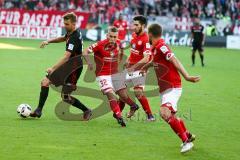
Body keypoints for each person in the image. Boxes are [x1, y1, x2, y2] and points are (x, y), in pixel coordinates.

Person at [140, 23, 200, 153]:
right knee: (171, 116)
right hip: (165, 88)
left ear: (150, 34)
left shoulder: (161, 46)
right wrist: (146, 67)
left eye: (147, 34)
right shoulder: (155, 48)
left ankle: (185, 142)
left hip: (172, 86)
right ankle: (187, 135)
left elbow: (174, 60)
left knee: (164, 112)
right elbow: (155, 61)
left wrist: (187, 76)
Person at [30, 12, 92, 120]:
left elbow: (66, 56)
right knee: (45, 82)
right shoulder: (71, 33)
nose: (65, 26)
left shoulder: (75, 37)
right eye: (64, 23)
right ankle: (38, 110)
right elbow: (63, 38)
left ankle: (86, 110)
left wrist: (53, 68)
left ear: (74, 24)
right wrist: (48, 41)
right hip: (68, 66)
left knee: (65, 97)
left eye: (67, 24)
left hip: (74, 69)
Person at [83, 26, 140, 127]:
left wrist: (122, 63)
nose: (113, 39)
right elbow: (85, 51)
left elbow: (121, 52)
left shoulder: (119, 44)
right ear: (107, 35)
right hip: (102, 75)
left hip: (115, 73)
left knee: (123, 95)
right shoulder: (100, 44)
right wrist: (89, 62)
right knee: (110, 94)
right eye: (111, 36)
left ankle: (133, 106)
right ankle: (119, 116)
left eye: (114, 37)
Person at [123, 15, 155, 121]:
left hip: (140, 69)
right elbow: (133, 52)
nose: (134, 26)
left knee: (138, 92)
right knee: (121, 90)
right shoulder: (133, 35)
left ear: (143, 26)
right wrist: (127, 61)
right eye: (133, 24)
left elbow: (146, 58)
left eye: (136, 25)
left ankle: (150, 115)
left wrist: (134, 67)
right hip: (131, 67)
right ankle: (123, 111)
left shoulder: (146, 39)